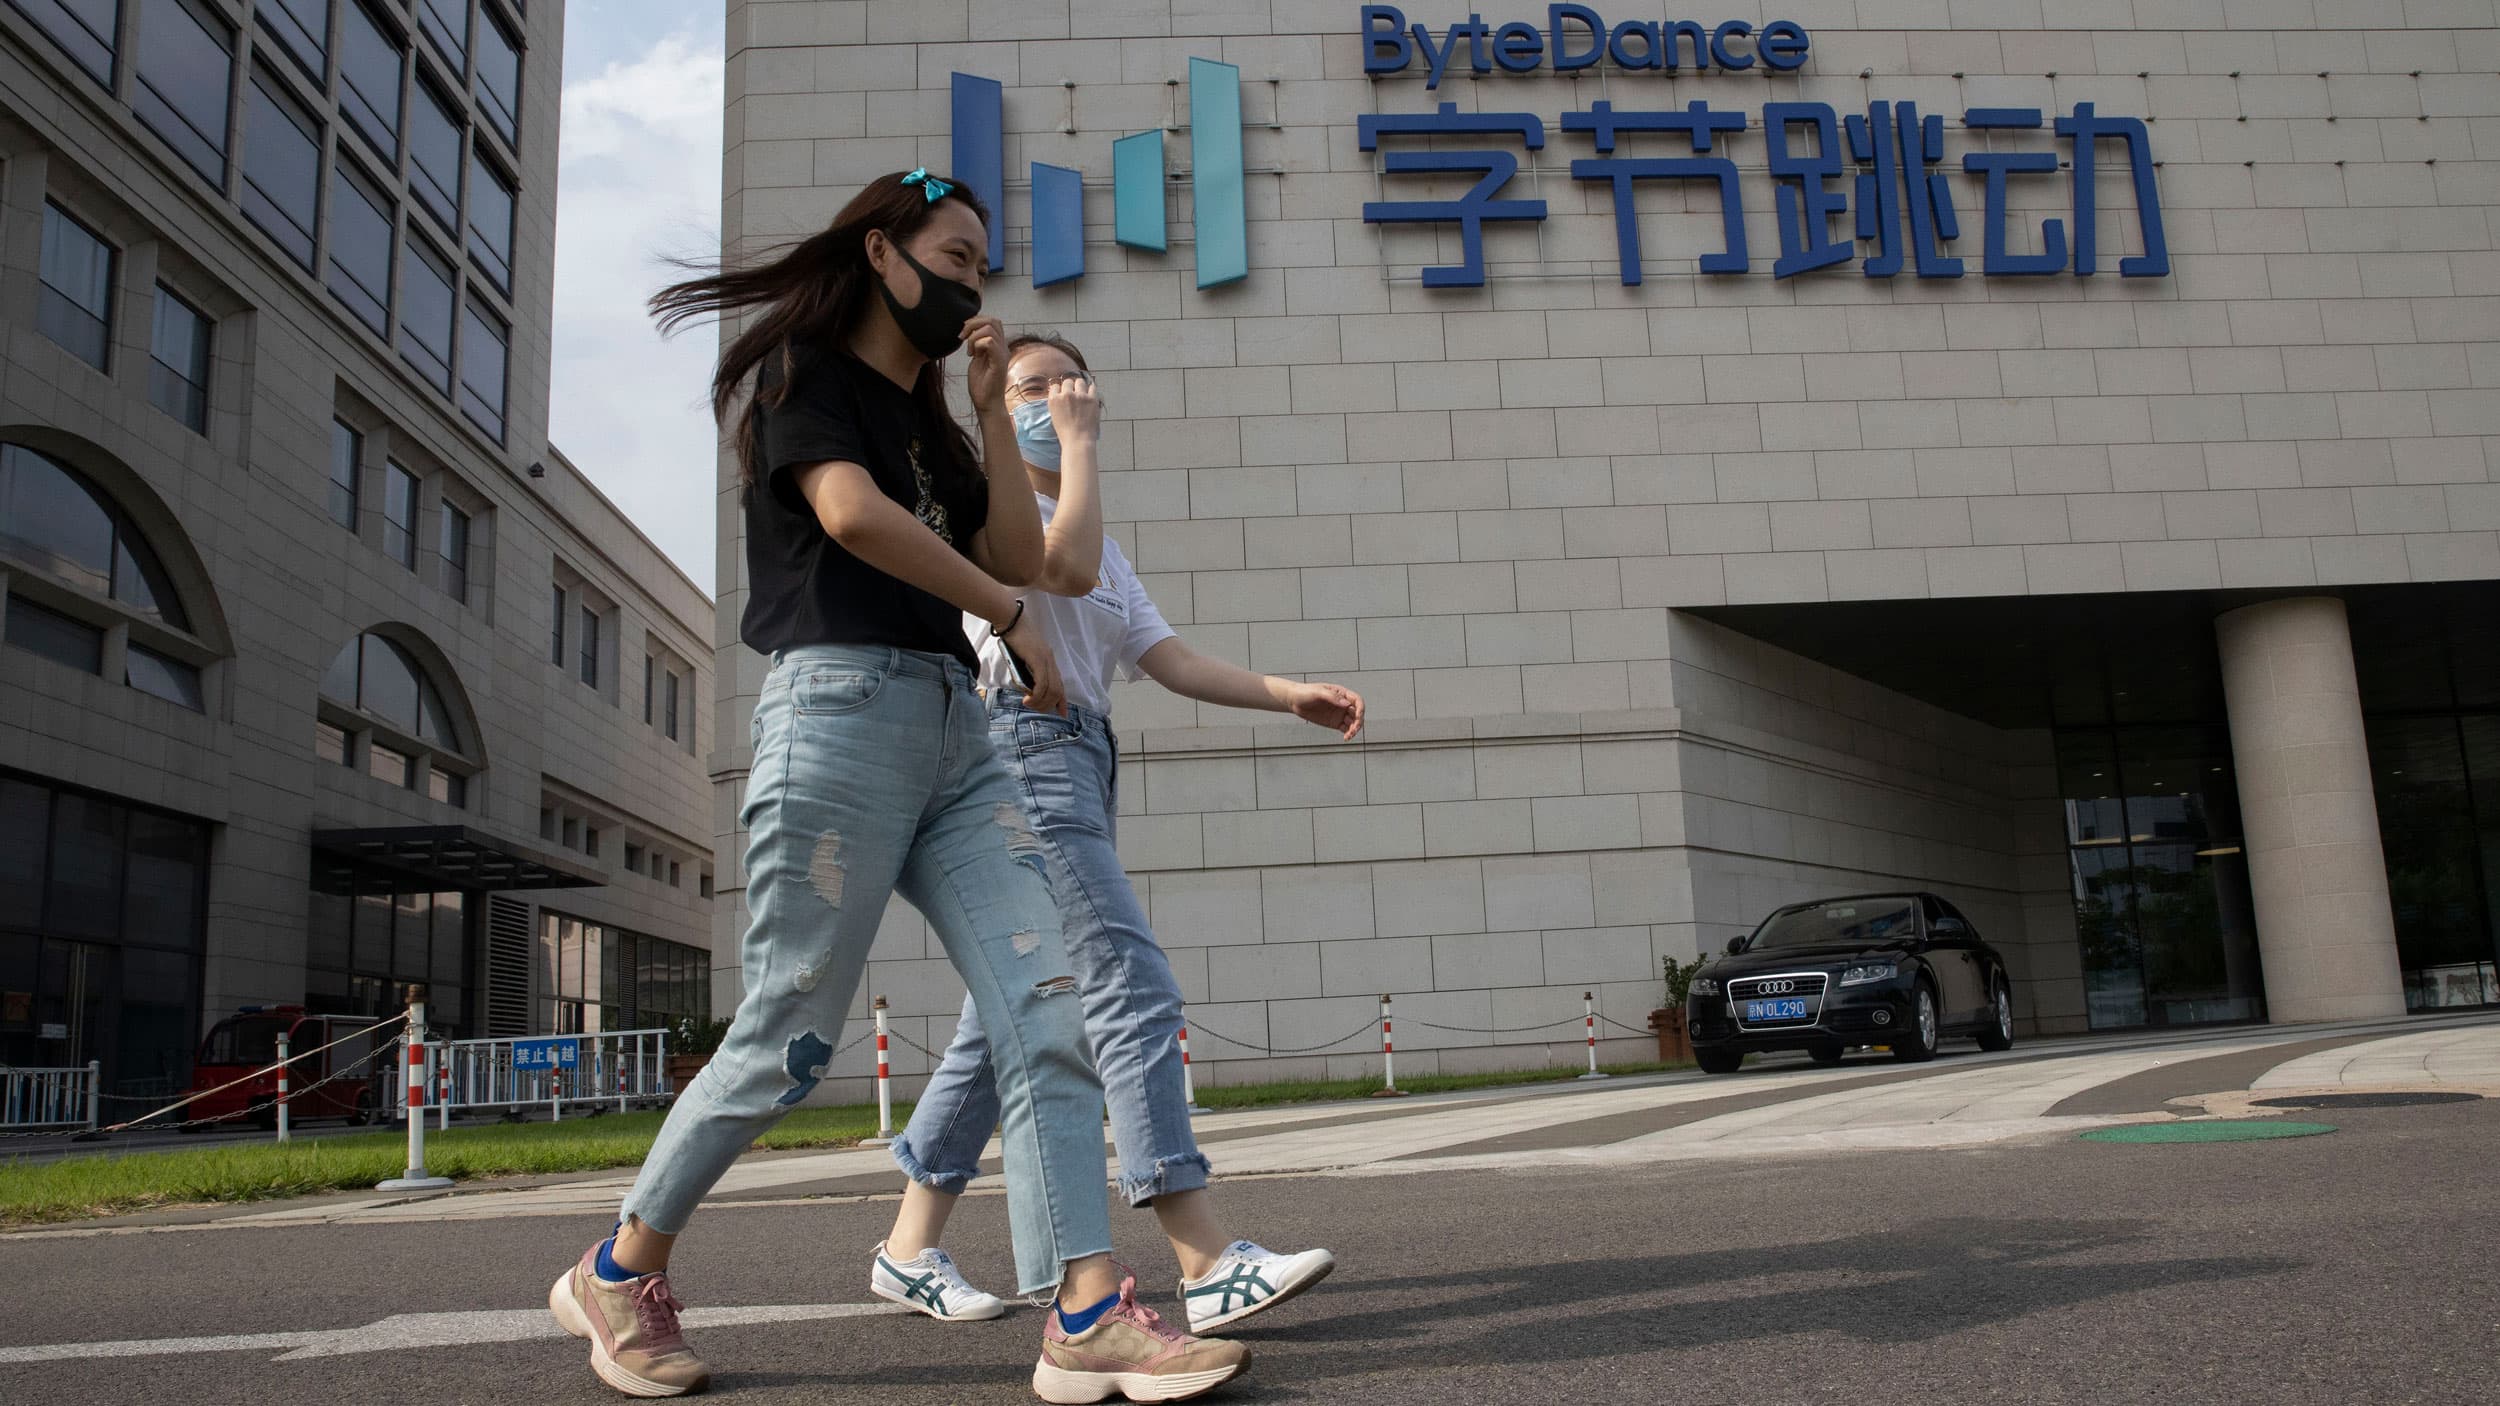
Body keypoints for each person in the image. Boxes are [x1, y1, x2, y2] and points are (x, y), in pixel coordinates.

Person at [544, 171, 1248, 1405]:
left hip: (953, 734)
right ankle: (618, 1265)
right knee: (785, 1038)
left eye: (984, 267)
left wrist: (986, 414)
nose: (973, 283)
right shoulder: (805, 378)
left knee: (1048, 999)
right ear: (881, 251)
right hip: (838, 715)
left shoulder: (932, 417)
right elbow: (854, 517)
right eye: (955, 256)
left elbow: (1024, 555)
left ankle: (1086, 1311)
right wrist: (1004, 616)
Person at [870, 332, 1364, 1337]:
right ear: (994, 408)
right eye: (1028, 386)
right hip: (1021, 746)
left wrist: (1287, 695)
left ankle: (908, 1244)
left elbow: (1167, 658)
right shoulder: (985, 506)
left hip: (1084, 757)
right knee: (1127, 982)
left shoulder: (1096, 527)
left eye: (1065, 383)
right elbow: (1060, 562)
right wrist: (1081, 450)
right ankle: (1203, 1251)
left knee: (1010, 1008)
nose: (1053, 398)